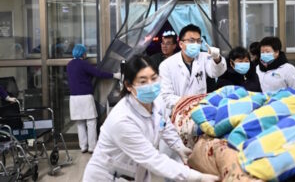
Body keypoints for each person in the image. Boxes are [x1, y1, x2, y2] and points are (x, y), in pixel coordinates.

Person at [83, 55, 219, 182]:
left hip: (134, 173)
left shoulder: (156, 102)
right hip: (107, 176)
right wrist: (196, 176)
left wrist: (179, 147)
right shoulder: (122, 120)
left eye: (154, 78)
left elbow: (164, 125)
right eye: (143, 81)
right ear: (129, 86)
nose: (150, 84)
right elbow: (153, 159)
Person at [67, 44, 119, 154]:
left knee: (80, 123)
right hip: (85, 96)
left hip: (73, 98)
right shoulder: (84, 64)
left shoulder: (69, 65)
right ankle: (92, 147)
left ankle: (83, 147)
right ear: (83, 53)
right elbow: (98, 73)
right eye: (85, 52)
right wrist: (114, 75)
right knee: (91, 122)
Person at [159, 24, 227, 109]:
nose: (196, 44)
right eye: (191, 41)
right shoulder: (166, 65)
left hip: (200, 109)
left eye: (198, 41)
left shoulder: (204, 57)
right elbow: (166, 96)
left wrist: (217, 58)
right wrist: (188, 103)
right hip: (178, 110)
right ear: (181, 44)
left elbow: (215, 73)